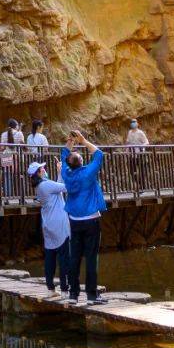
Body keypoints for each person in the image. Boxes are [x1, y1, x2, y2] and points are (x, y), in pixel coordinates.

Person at [61, 130, 107, 303]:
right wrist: (83, 140)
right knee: (91, 258)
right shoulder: (88, 173)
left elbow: (64, 154)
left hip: (74, 220)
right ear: (81, 162)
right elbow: (99, 154)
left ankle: (73, 295)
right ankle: (91, 295)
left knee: (75, 257)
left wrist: (70, 143)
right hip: (91, 220)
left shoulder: (66, 173)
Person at [29, 161, 70, 294]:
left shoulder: (40, 186)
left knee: (50, 257)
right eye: (43, 168)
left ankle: (50, 288)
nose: (45, 169)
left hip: (48, 224)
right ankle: (64, 289)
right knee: (64, 257)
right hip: (58, 223)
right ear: (40, 172)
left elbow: (58, 188)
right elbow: (66, 187)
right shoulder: (46, 184)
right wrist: (65, 172)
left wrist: (59, 172)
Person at [0, 118, 25, 199]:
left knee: (7, 176)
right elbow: (23, 146)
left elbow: (2, 147)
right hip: (16, 156)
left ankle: (8, 196)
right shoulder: (19, 134)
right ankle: (19, 196)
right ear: (16, 126)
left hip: (6, 155)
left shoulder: (3, 134)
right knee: (18, 175)